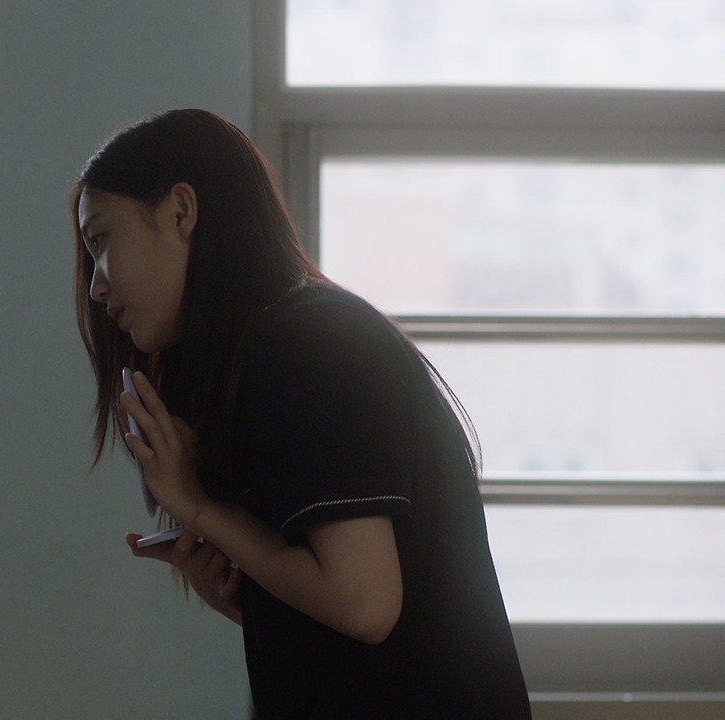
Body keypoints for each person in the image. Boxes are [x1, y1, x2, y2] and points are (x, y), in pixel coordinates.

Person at [70, 109, 531, 718]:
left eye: (101, 241)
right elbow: (353, 632)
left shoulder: (303, 343)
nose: (97, 286)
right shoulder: (278, 342)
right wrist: (238, 593)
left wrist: (205, 510)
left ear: (180, 211)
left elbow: (364, 604)